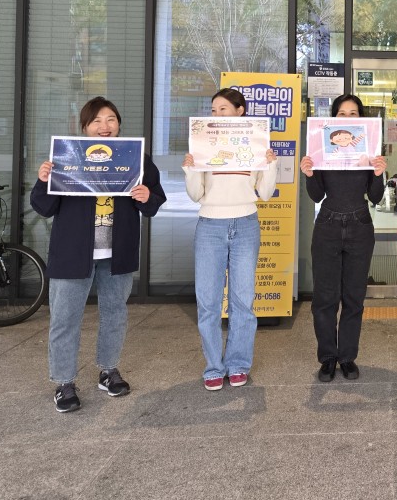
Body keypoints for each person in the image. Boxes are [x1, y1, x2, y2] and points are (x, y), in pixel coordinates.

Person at [31, 96, 167, 413]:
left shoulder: (137, 159)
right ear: (85, 127)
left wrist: (147, 196)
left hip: (116, 251)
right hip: (72, 253)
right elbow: (44, 207)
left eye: (110, 120)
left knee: (115, 314)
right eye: (96, 121)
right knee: (65, 319)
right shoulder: (67, 158)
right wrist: (42, 181)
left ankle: (109, 371)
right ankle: (64, 383)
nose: (104, 127)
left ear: (119, 124)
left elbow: (153, 202)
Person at [183, 88, 277, 391]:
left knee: (242, 300)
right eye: (213, 110)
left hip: (246, 223)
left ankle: (238, 364)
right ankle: (213, 366)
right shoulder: (203, 143)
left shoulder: (256, 142)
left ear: (240, 111)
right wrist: (191, 167)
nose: (216, 114)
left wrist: (270, 163)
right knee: (208, 302)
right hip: (210, 224)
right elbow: (196, 194)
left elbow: (263, 193)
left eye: (223, 109)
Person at [300, 94, 387, 382]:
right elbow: (316, 195)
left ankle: (347, 357)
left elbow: (375, 197)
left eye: (353, 114)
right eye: (341, 113)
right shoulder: (322, 150)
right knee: (324, 298)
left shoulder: (368, 150)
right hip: (327, 224)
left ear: (360, 120)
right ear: (333, 119)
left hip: (360, 224)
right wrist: (310, 173)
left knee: (354, 297)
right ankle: (327, 357)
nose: (347, 118)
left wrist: (378, 173)